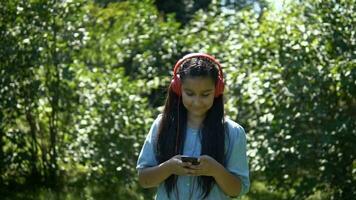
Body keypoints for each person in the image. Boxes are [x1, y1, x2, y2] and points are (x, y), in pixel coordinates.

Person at [136, 53, 250, 199]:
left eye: (205, 94)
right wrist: (169, 167)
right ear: (178, 89)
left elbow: (237, 190)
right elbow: (144, 180)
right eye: (189, 94)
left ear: (217, 91)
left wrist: (216, 170)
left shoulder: (233, 132)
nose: (197, 102)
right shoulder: (162, 125)